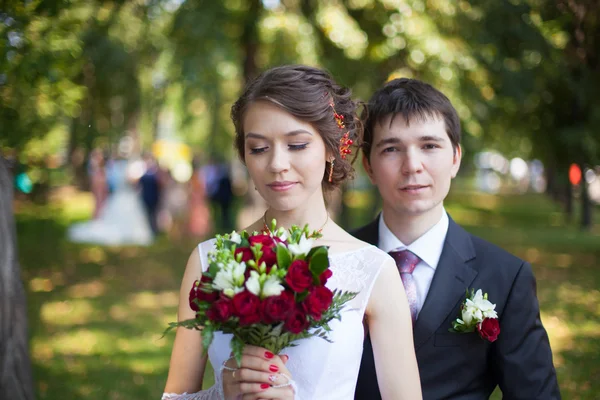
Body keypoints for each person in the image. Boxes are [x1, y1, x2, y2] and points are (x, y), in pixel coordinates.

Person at [162, 65, 422, 400]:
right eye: (258, 148)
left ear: (331, 148)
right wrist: (222, 395)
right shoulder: (209, 259)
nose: (276, 164)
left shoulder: (373, 270)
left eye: (297, 145)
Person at [353, 78, 561, 400]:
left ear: (455, 158)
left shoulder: (506, 277)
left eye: (429, 146)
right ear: (368, 165)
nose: (412, 166)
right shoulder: (335, 262)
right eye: (391, 149)